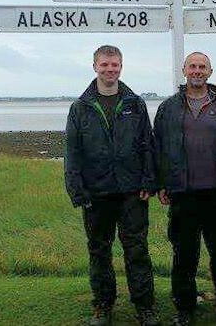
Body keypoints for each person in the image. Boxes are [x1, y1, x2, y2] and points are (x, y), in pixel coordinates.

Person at [64, 45, 160, 326]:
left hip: (132, 191)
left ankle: (145, 307)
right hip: (96, 193)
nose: (110, 69)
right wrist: (76, 190)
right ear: (95, 66)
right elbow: (73, 152)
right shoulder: (80, 107)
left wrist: (149, 181)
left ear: (121, 66)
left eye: (115, 65)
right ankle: (103, 306)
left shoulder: (135, 103)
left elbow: (147, 145)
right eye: (105, 65)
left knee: (137, 250)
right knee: (99, 250)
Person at [154, 52, 216, 326]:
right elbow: (157, 148)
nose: (197, 70)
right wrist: (161, 183)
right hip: (182, 194)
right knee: (184, 255)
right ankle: (184, 308)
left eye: (202, 67)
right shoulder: (168, 108)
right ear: (184, 70)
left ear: (210, 72)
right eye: (192, 66)